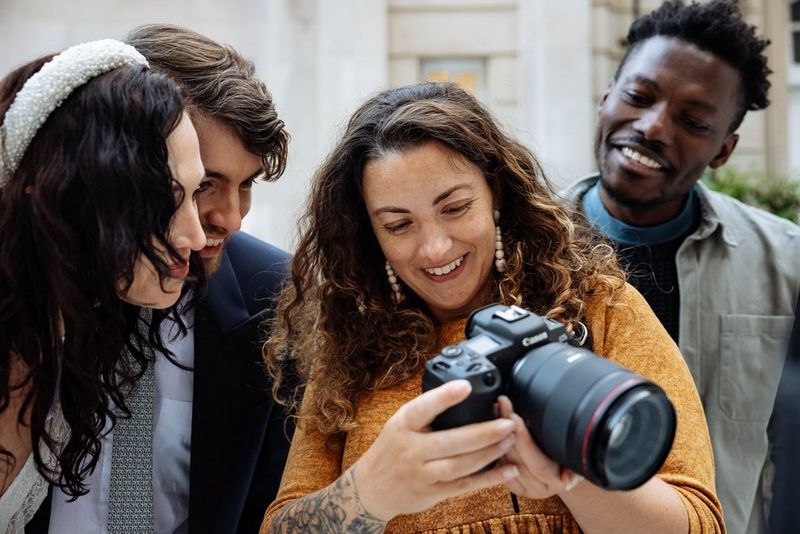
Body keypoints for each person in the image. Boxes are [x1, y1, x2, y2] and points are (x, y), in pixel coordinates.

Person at [260, 82, 723, 533]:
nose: (435, 247)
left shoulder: (599, 307)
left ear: (495, 193)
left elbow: (699, 522)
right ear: (370, 234)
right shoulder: (350, 347)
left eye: (456, 208)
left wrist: (572, 476)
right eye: (399, 225)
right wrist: (369, 494)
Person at [30, 25, 294, 534]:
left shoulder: (276, 295)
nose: (229, 218)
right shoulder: (30, 288)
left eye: (247, 185)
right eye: (204, 184)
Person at [561, 2, 800, 532]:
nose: (652, 127)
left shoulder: (787, 265)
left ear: (724, 150)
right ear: (606, 97)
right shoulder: (515, 252)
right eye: (638, 97)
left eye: (693, 121)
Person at [0, 39, 206, 532]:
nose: (197, 237)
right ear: (65, 196)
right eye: (164, 201)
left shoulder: (66, 352)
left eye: (196, 194)